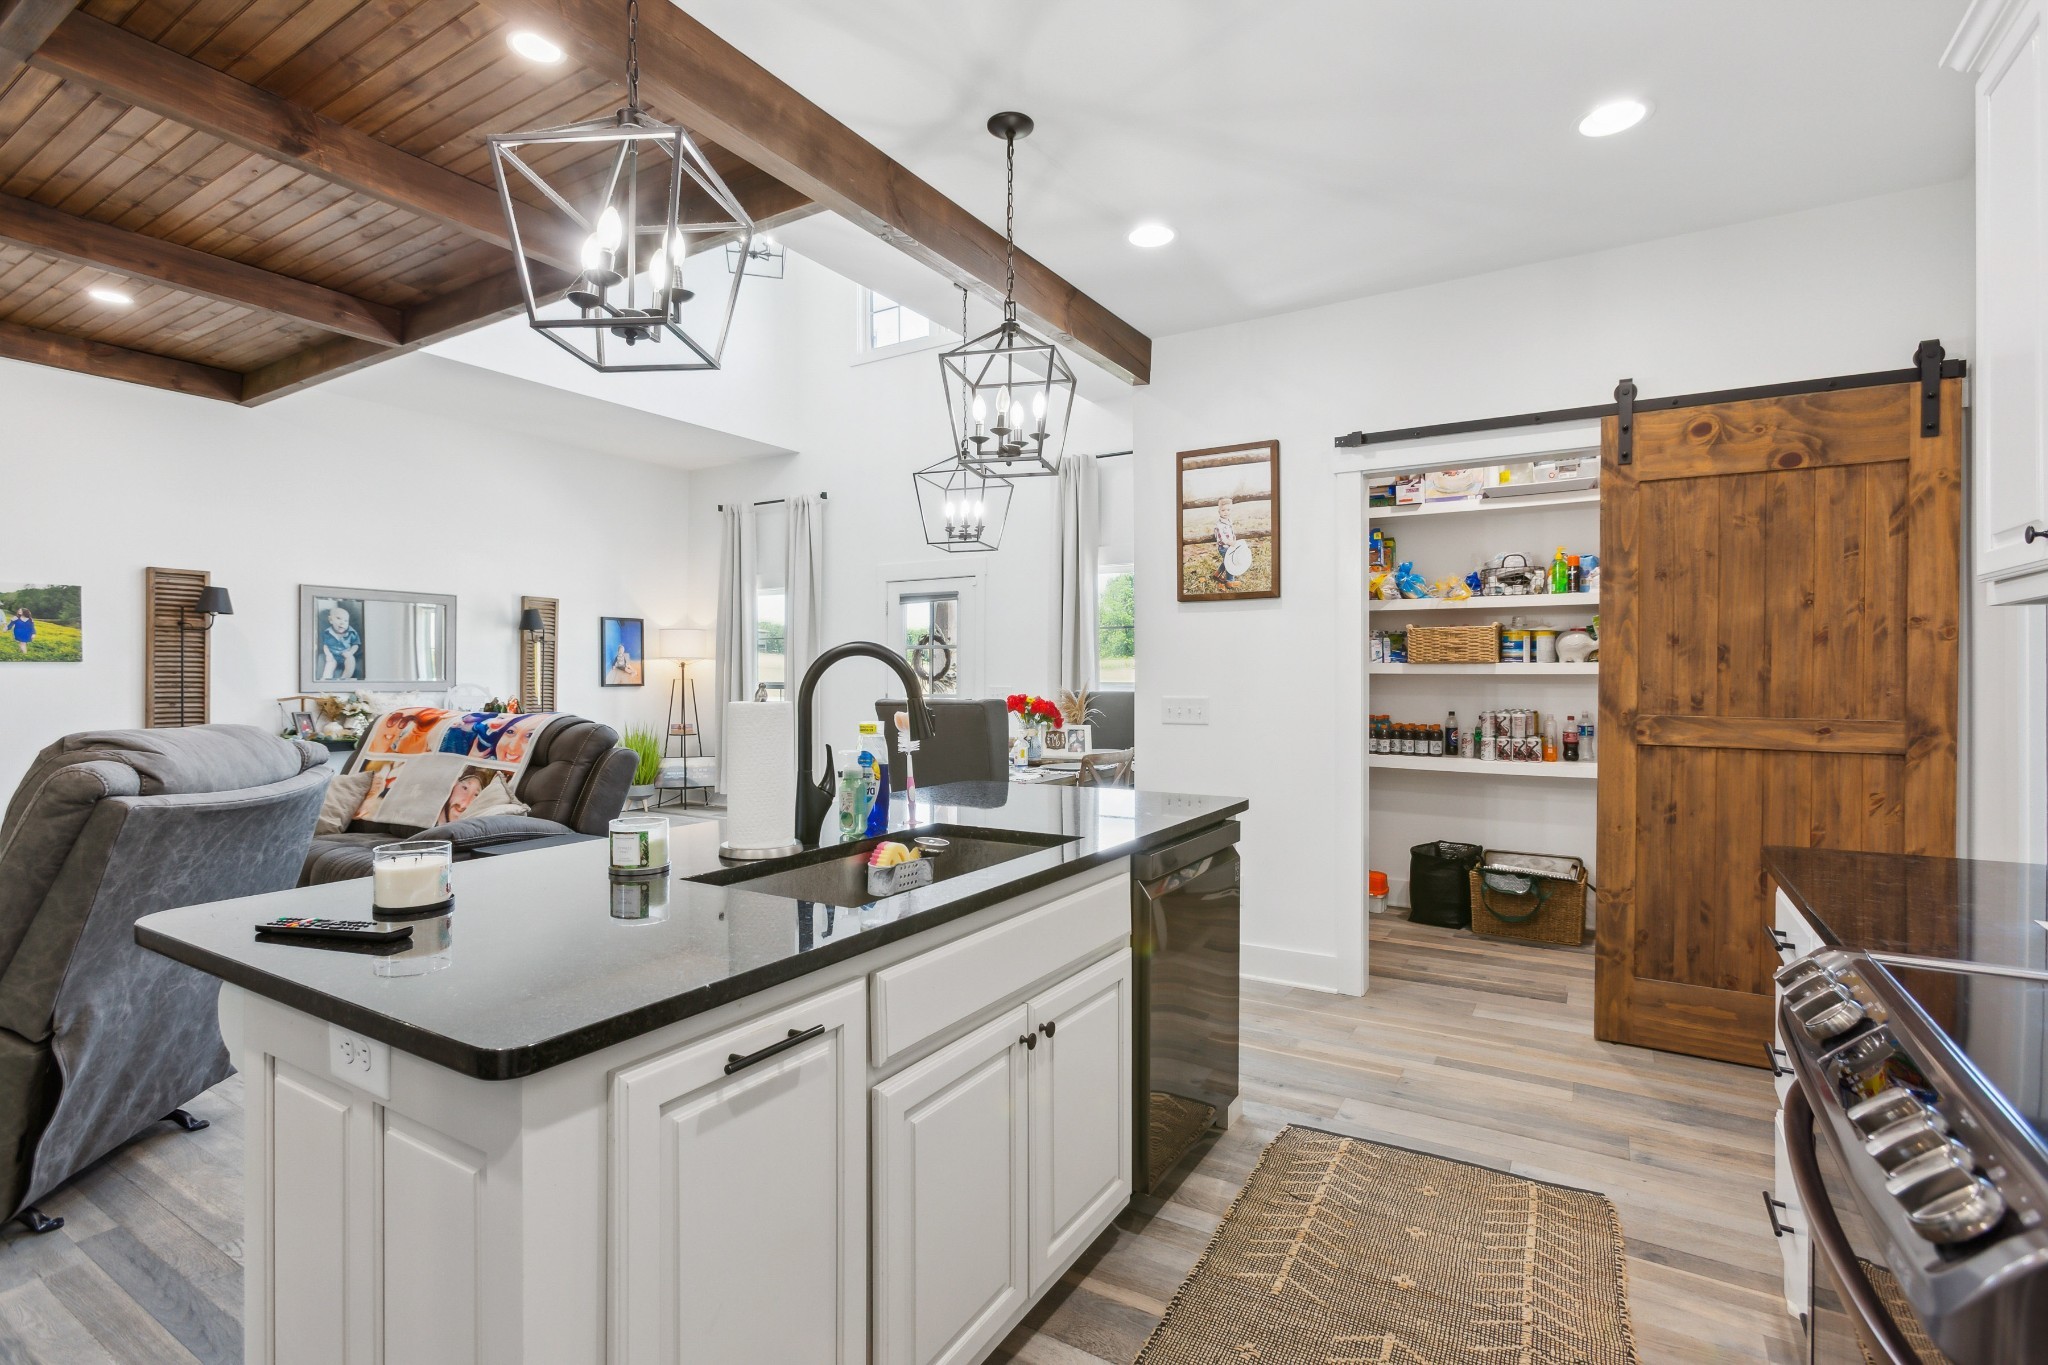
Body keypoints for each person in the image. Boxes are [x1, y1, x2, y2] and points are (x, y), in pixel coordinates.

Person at [318, 604, 361, 680]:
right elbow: (325, 645)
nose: (342, 622)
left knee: (351, 660)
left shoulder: (352, 633)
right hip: (333, 656)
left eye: (346, 620)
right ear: (330, 620)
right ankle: (326, 678)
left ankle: (344, 678)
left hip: (346, 655)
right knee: (330, 663)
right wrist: (328, 654)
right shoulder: (327, 633)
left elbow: (356, 645)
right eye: (338, 618)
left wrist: (350, 652)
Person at [1212, 497, 1242, 587]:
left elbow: (1232, 533)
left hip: (1230, 546)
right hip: (1224, 547)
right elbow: (1221, 539)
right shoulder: (1219, 525)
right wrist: (1230, 542)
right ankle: (1229, 581)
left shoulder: (1229, 521)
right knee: (1230, 562)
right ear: (1219, 512)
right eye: (1223, 510)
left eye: (1228, 510)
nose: (1226, 512)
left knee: (1226, 561)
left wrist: (1234, 541)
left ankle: (1217, 574)